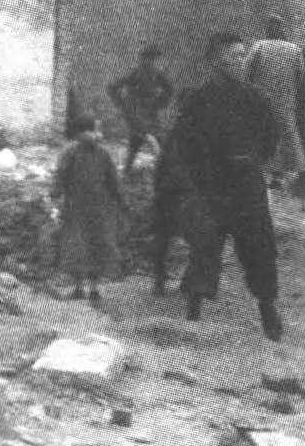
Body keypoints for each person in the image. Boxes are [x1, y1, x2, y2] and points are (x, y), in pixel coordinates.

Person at [171, 32, 282, 340]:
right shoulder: (198, 100)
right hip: (212, 187)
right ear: (216, 61)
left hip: (247, 186)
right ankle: (193, 310)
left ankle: (268, 309)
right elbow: (183, 142)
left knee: (259, 248)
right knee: (204, 246)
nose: (241, 61)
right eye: (234, 55)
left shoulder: (255, 98)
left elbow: (271, 137)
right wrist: (202, 176)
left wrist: (252, 159)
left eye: (243, 55)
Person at [52, 115, 122, 302]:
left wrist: (118, 200)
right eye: (91, 131)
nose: (95, 135)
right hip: (79, 209)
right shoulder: (72, 153)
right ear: (81, 133)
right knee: (80, 248)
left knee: (94, 246)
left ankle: (91, 288)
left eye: (95, 131)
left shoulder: (101, 153)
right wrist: (54, 195)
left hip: (95, 210)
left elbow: (113, 180)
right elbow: (60, 177)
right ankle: (81, 288)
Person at [247, 16, 305, 189]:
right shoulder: (294, 49)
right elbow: (301, 76)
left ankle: (276, 175)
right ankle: (300, 173)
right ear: (282, 29)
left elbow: (247, 71)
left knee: (267, 135)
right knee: (289, 134)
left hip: (262, 100)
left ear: (268, 30)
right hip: (286, 100)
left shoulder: (259, 46)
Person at [106, 44, 173, 172]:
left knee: (157, 141)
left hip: (151, 114)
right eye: (149, 59)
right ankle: (128, 171)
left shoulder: (157, 75)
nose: (152, 62)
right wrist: (122, 104)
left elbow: (169, 90)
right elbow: (113, 87)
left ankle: (163, 171)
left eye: (154, 59)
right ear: (143, 59)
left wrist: (159, 103)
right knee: (137, 140)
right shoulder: (135, 74)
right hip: (137, 114)